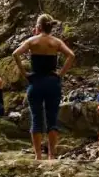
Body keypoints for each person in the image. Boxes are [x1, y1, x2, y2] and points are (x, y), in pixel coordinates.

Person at [12, 14, 76, 160]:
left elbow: (15, 54)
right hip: (53, 82)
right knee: (52, 119)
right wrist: (60, 74)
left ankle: (38, 155)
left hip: (36, 81)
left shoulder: (32, 41)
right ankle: (51, 155)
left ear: (38, 27)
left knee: (36, 118)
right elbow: (71, 55)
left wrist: (24, 73)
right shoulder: (56, 42)